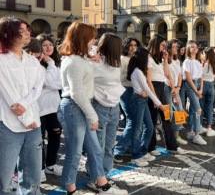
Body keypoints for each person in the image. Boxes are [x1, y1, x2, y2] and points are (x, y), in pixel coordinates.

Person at [58, 22, 127, 195]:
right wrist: (93, 116)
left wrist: (91, 56)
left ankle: (102, 184)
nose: (94, 42)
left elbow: (92, 56)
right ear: (83, 39)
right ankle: (71, 190)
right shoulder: (73, 61)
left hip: (81, 107)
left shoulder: (79, 58)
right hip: (75, 107)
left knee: (96, 149)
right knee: (74, 152)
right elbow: (77, 93)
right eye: (92, 38)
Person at [0, 17, 45, 194]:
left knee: (32, 176)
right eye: (22, 30)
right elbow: (9, 94)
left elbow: (38, 86)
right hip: (8, 124)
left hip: (34, 123)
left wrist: (26, 107)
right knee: (4, 176)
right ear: (6, 33)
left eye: (28, 29)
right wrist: (26, 118)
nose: (28, 33)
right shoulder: (2, 60)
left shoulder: (32, 60)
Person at [87, 33, 126, 189]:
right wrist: (89, 55)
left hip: (114, 107)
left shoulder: (115, 62)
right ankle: (94, 178)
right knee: (98, 146)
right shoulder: (93, 59)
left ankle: (104, 175)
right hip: (99, 106)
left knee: (109, 145)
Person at [147, 34, 185, 154]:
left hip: (162, 86)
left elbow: (166, 73)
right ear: (155, 44)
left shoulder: (160, 59)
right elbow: (148, 80)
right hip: (153, 88)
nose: (164, 47)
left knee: (166, 117)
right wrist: (154, 98)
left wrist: (165, 59)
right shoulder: (149, 58)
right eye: (162, 45)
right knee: (152, 120)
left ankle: (172, 145)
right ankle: (151, 147)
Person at [128, 47, 165, 166]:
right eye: (147, 56)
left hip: (142, 100)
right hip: (138, 100)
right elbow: (147, 88)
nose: (149, 58)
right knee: (137, 129)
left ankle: (143, 152)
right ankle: (136, 155)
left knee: (149, 126)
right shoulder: (138, 71)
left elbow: (146, 89)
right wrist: (159, 104)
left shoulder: (141, 71)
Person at [36, 34, 63, 182]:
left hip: (54, 107)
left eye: (50, 44)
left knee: (55, 136)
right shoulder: (38, 64)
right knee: (39, 140)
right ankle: (39, 168)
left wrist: (53, 82)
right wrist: (51, 66)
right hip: (39, 109)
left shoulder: (57, 62)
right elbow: (47, 83)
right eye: (45, 45)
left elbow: (61, 84)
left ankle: (51, 164)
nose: (48, 47)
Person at [114, 37, 141, 163]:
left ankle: (129, 147)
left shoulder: (135, 58)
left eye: (135, 45)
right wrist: (131, 74)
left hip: (135, 90)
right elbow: (117, 77)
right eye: (130, 45)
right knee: (131, 120)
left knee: (135, 121)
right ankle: (119, 149)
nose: (133, 47)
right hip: (125, 90)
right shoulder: (122, 59)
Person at [183, 40, 207, 145]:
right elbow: (188, 78)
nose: (194, 48)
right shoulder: (187, 62)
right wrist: (196, 90)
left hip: (197, 84)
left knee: (193, 109)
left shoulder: (198, 62)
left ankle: (190, 130)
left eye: (196, 47)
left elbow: (201, 76)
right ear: (188, 49)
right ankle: (197, 134)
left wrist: (201, 89)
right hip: (190, 85)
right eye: (192, 47)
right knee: (198, 109)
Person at [166, 39, 188, 145]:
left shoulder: (177, 60)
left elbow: (179, 75)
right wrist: (173, 89)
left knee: (179, 111)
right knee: (168, 113)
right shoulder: (164, 60)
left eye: (176, 47)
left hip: (176, 88)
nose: (176, 49)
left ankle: (176, 135)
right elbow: (167, 75)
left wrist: (178, 87)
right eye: (174, 47)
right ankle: (167, 136)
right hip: (167, 88)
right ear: (169, 48)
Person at [200, 48, 215, 136]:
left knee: (200, 107)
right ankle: (209, 128)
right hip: (211, 85)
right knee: (209, 108)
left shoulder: (203, 64)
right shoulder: (214, 64)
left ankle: (199, 126)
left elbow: (199, 75)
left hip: (202, 85)